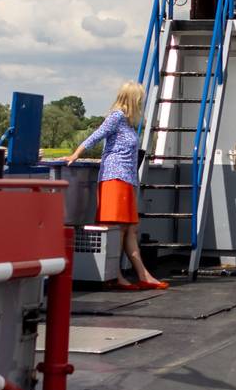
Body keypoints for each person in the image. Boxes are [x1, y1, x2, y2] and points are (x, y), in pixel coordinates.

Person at [67, 83, 165, 290]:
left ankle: (143, 275)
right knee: (117, 228)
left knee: (131, 229)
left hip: (127, 179)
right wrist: (76, 154)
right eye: (139, 99)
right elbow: (97, 135)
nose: (141, 103)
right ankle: (116, 275)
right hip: (115, 177)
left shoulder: (128, 122)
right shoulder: (117, 117)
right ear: (132, 99)